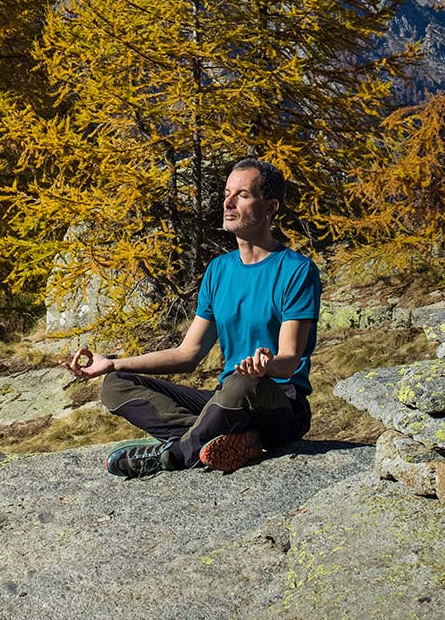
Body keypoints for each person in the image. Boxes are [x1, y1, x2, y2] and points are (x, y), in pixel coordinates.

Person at [66, 157, 321, 477]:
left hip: (281, 406)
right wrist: (114, 364)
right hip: (228, 402)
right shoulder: (219, 271)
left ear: (270, 207)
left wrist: (265, 366)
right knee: (116, 386)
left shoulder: (296, 271)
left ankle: (175, 454)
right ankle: (225, 441)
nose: (227, 202)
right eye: (227, 193)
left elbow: (288, 361)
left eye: (242, 195)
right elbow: (188, 355)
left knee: (241, 381)